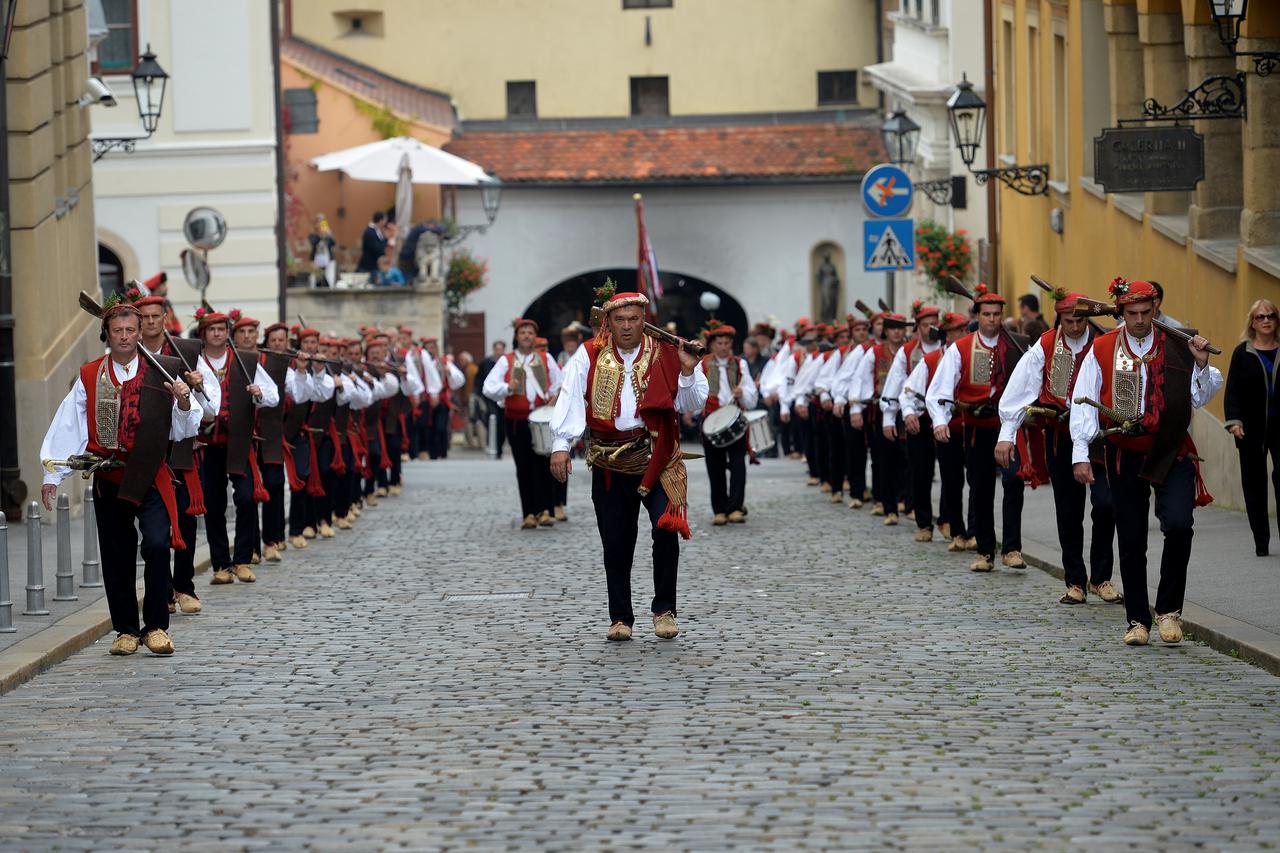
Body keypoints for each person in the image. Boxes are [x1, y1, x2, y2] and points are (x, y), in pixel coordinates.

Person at [39, 300, 199, 655]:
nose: (124, 337)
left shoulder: (165, 369)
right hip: (110, 476)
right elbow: (70, 426)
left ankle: (156, 626)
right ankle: (126, 630)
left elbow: (185, 427)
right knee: (116, 555)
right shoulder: (90, 374)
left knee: (158, 545)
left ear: (141, 333)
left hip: (151, 475)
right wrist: (52, 473)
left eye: (130, 330)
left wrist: (184, 401)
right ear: (107, 335)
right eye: (117, 331)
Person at [548, 289, 707, 641]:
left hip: (659, 457)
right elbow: (571, 396)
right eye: (619, 320)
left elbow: (694, 401)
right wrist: (562, 444)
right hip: (609, 459)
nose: (626, 326)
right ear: (608, 322)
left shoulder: (667, 352)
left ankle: (664, 610)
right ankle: (620, 617)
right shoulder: (588, 354)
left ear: (644, 320)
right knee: (616, 542)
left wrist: (686, 372)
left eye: (633, 319)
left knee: (666, 530)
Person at [1070, 278, 1220, 646]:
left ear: (1155, 310)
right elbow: (1083, 398)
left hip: (1171, 448)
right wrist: (1080, 453)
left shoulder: (1178, 345)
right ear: (1121, 312)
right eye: (1132, 313)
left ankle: (1169, 611)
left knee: (1180, 525)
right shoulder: (1102, 348)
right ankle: (1138, 620)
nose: (1139, 319)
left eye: (1145, 312)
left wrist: (1200, 365)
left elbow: (1199, 397)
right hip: (1123, 450)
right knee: (1133, 538)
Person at [996, 289, 1120, 605]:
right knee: (1068, 509)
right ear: (1059, 319)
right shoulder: (1047, 345)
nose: (1075, 327)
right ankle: (1075, 581)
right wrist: (1007, 432)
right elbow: (1021, 387)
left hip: (1101, 436)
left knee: (1106, 504)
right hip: (1060, 433)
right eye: (1069, 320)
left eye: (1080, 319)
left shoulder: (1104, 342)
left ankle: (1102, 577)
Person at [926, 286, 1030, 572]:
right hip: (977, 426)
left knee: (1013, 481)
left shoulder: (1019, 344)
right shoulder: (961, 349)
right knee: (981, 487)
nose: (992, 320)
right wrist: (939, 420)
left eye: (997, 314)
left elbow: (1033, 381)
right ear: (978, 315)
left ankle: (1012, 548)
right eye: (986, 314)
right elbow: (939, 390)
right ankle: (985, 551)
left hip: (1009, 426)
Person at [133, 289, 219, 614]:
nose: (153, 322)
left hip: (181, 447)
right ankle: (162, 590)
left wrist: (198, 384)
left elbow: (212, 405)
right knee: (155, 528)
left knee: (184, 518)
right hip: (146, 450)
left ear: (165, 318)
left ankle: (184, 586)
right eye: (146, 317)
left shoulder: (186, 351)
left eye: (157, 316)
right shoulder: (132, 353)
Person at [197, 308, 280, 585]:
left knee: (245, 498)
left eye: (221, 329)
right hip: (208, 444)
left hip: (239, 440)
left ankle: (243, 559)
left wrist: (259, 394)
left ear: (227, 332)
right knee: (213, 503)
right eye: (212, 329)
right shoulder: (194, 360)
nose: (217, 333)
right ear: (204, 333)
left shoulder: (246, 360)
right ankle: (221, 564)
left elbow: (273, 395)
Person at [483, 319, 563, 528]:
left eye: (530, 332)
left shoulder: (545, 359)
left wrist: (554, 400)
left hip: (541, 420)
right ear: (516, 337)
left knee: (543, 466)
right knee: (524, 467)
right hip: (516, 421)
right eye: (523, 332)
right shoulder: (506, 361)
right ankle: (528, 513)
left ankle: (545, 511)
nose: (526, 336)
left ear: (534, 337)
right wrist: (507, 388)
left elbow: (561, 382)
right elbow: (488, 387)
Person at [902, 311, 971, 550]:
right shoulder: (931, 360)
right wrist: (909, 413)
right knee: (928, 474)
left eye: (965, 330)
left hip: (966, 425)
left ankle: (958, 526)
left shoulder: (974, 356)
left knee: (964, 479)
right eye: (957, 331)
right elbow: (908, 391)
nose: (963, 335)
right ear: (946, 335)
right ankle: (929, 525)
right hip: (933, 422)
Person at [1224, 298, 1280, 557]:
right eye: (1261, 317)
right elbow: (1232, 391)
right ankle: (1261, 542)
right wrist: (1234, 422)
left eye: (1271, 316)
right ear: (1253, 322)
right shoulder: (1242, 353)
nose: (1266, 320)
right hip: (1251, 430)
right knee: (1254, 485)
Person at [882, 306, 942, 540]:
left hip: (945, 417)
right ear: (918, 327)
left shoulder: (947, 349)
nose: (931, 328)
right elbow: (895, 383)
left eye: (934, 323)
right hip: (917, 417)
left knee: (950, 472)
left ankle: (947, 519)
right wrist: (890, 417)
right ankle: (924, 523)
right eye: (926, 324)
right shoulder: (907, 352)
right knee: (921, 471)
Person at [699, 323, 758, 525]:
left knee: (737, 465)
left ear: (731, 344)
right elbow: (696, 393)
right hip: (711, 420)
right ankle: (720, 510)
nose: (723, 347)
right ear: (713, 344)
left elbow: (751, 395)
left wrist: (744, 394)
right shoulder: (703, 364)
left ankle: (735, 507)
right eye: (719, 343)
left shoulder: (740, 364)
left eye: (727, 343)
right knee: (714, 467)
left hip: (735, 419)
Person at [478, 340, 509, 459]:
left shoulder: (507, 362)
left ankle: (499, 448)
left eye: (501, 349)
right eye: (497, 349)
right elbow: (480, 379)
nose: (499, 352)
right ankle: (491, 446)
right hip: (490, 398)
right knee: (492, 419)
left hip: (504, 397)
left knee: (502, 424)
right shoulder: (486, 362)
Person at [308, 214, 337, 287]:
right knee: (315, 279)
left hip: (328, 260)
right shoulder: (313, 234)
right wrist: (320, 234)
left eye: (322, 222)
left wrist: (329, 234)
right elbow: (314, 242)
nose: (320, 224)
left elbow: (333, 243)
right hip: (316, 260)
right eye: (318, 222)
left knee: (330, 279)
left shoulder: (328, 234)